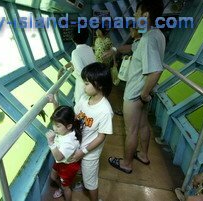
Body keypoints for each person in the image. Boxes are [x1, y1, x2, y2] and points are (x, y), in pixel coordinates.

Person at [108, 0, 165, 174]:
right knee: (143, 126)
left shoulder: (147, 40)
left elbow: (156, 71)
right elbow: (131, 47)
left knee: (131, 130)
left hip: (135, 94)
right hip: (142, 93)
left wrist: (143, 94)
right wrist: (115, 49)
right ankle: (144, 155)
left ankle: (126, 164)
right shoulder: (156, 34)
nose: (134, 15)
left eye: (137, 12)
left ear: (146, 14)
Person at [71, 62, 113, 201]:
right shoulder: (84, 99)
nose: (84, 86)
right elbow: (75, 117)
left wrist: (83, 152)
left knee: (91, 181)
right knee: (82, 171)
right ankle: (83, 183)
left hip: (90, 152)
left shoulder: (105, 110)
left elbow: (101, 137)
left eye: (87, 83)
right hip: (80, 145)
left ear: (99, 85)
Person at [45, 105, 83, 201]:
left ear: (69, 126)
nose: (54, 128)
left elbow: (58, 157)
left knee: (66, 188)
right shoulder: (65, 130)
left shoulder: (69, 142)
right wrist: (54, 102)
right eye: (53, 124)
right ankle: (62, 186)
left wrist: (51, 143)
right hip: (62, 163)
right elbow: (60, 118)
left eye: (57, 126)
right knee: (53, 176)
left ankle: (64, 190)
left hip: (68, 166)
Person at [60, 28, 96, 104]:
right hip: (92, 83)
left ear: (73, 39)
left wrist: (73, 68)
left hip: (83, 86)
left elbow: (81, 72)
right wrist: (65, 66)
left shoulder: (75, 52)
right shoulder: (89, 49)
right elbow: (80, 59)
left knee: (80, 106)